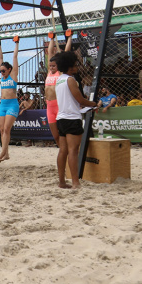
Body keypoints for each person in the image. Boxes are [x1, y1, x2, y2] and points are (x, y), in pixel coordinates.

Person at [53, 51, 99, 189]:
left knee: (63, 151)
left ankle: (61, 181)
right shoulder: (70, 80)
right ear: (70, 67)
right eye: (75, 65)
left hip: (61, 118)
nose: (77, 67)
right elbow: (80, 100)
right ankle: (75, 182)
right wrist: (95, 104)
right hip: (72, 118)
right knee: (73, 151)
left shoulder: (59, 80)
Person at [44, 31, 73, 141]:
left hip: (59, 104)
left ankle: (66, 154)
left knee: (63, 134)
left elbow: (66, 53)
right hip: (49, 106)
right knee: (55, 136)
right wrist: (51, 38)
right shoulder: (49, 72)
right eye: (50, 66)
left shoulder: (60, 73)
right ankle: (63, 153)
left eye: (53, 66)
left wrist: (69, 38)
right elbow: (50, 53)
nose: (51, 67)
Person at [0, 37, 20, 162]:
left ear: (9, 69)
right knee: (1, 129)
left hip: (12, 104)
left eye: (3, 70)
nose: (2, 72)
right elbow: (0, 58)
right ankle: (6, 154)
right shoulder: (3, 76)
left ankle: (3, 153)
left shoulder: (13, 75)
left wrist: (16, 43)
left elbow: (15, 58)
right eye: (0, 70)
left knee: (6, 129)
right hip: (3, 104)